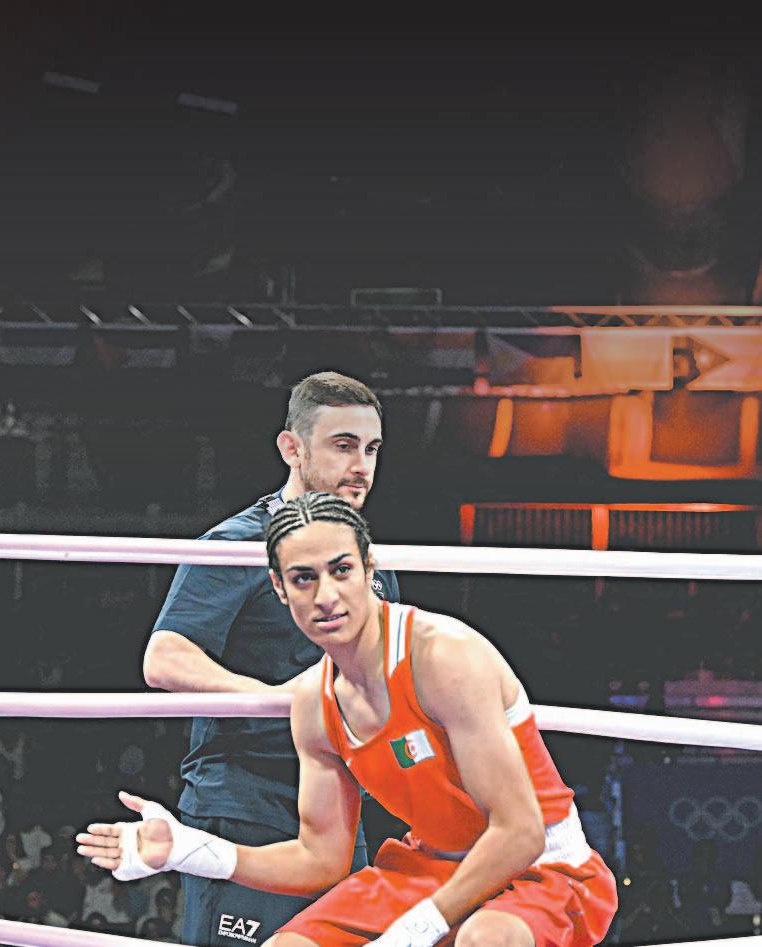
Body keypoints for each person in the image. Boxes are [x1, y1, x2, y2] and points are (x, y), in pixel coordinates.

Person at [80, 493, 618, 947]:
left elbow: (520, 832)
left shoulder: (443, 658)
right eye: (304, 578)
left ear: (369, 570)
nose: (326, 597)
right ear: (279, 588)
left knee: (485, 940)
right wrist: (187, 851)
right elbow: (320, 859)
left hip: (544, 870)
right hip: (431, 867)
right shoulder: (314, 706)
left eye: (341, 570)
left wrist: (414, 931)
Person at [142, 372, 400, 946]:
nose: (361, 466)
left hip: (340, 810)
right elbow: (165, 657)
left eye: (371, 449)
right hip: (248, 801)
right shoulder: (239, 543)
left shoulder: (368, 566)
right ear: (292, 448)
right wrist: (282, 701)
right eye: (343, 445)